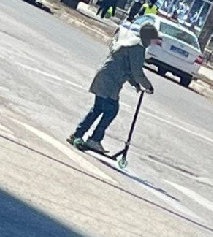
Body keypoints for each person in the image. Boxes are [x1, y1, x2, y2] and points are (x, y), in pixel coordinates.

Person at [67, 23, 159, 153]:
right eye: (153, 39)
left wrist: (136, 85)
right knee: (111, 110)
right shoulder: (138, 48)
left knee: (98, 109)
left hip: (106, 77)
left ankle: (78, 135)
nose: (154, 42)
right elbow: (136, 71)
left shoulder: (132, 42)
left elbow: (128, 68)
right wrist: (148, 86)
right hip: (109, 80)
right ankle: (94, 139)